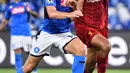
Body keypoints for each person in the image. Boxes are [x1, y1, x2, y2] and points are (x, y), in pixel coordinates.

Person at [16, 0, 87, 73]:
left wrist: (75, 7)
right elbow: (51, 14)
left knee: (81, 49)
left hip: (63, 34)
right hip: (47, 34)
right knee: (28, 68)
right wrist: (71, 14)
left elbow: (73, 18)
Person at [62, 0, 111, 73]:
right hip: (85, 26)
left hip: (100, 26)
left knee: (90, 64)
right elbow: (75, 15)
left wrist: (104, 25)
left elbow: (104, 8)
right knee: (106, 46)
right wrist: (74, 7)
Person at [0, 0, 38, 73]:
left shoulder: (26, 4)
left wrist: (30, 11)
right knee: (17, 54)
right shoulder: (10, 7)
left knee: (31, 54)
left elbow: (36, 15)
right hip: (15, 33)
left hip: (26, 33)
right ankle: (19, 72)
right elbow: (5, 21)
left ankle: (34, 71)